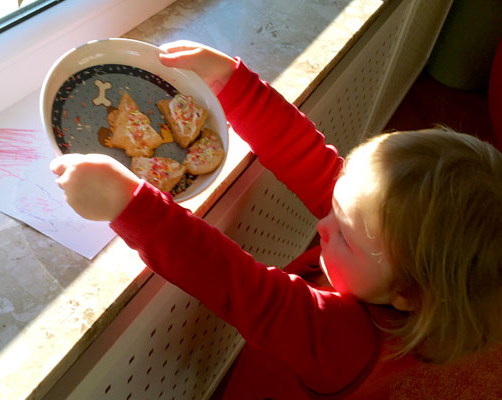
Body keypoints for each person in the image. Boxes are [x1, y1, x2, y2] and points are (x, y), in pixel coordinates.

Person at [50, 41, 502, 398]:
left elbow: (238, 285)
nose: (323, 224)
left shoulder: (347, 346)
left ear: (406, 295)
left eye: (341, 236)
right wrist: (235, 86)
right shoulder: (394, 254)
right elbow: (310, 160)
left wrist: (132, 206)